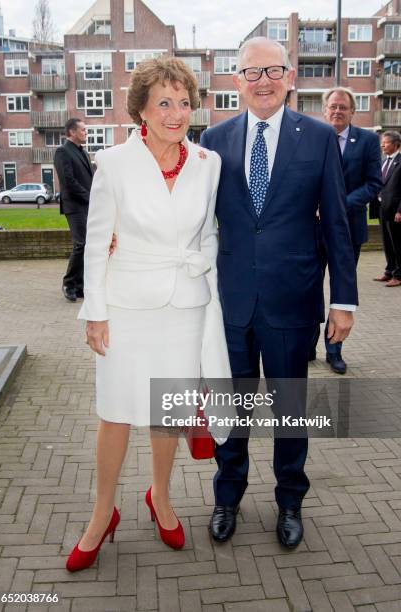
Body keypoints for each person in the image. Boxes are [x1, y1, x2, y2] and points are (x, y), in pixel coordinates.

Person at [65, 57, 231, 572]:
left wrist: (204, 282)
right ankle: (101, 514)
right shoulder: (112, 162)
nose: (176, 113)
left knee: (170, 413)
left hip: (185, 305)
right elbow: (95, 242)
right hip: (126, 306)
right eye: (164, 102)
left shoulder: (208, 163)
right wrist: (95, 312)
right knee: (115, 412)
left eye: (184, 102)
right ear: (141, 108)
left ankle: (159, 497)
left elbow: (207, 235)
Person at [200, 37, 358, 549]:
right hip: (232, 301)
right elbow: (198, 221)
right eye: (251, 72)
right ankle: (228, 496)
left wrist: (344, 300)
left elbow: (337, 221)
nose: (262, 80)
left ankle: (290, 500)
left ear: (289, 76)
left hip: (293, 298)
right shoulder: (213, 139)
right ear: (236, 81)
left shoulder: (316, 138)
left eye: (272, 70)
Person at [309, 87, 382, 374]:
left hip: (349, 229)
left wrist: (335, 205)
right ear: (324, 110)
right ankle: (307, 345)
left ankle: (334, 351)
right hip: (311, 230)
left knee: (342, 290)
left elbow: (374, 183)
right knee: (309, 289)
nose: (337, 111)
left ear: (352, 112)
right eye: (333, 106)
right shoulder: (313, 139)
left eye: (343, 107)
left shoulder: (367, 140)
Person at [54, 118, 93, 302]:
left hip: (88, 205)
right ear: (72, 132)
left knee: (88, 245)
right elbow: (68, 182)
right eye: (83, 130)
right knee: (81, 244)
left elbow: (92, 179)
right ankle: (69, 283)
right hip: (74, 206)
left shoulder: (84, 153)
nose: (86, 132)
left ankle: (79, 286)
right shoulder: (62, 152)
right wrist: (89, 197)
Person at [372, 130, 401, 287]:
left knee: (397, 243)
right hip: (383, 208)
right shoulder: (384, 161)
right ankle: (389, 271)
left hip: (395, 211)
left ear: (396, 144)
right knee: (387, 242)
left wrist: (400, 211)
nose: (382, 145)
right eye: (382, 142)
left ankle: (399, 275)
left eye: (386, 142)